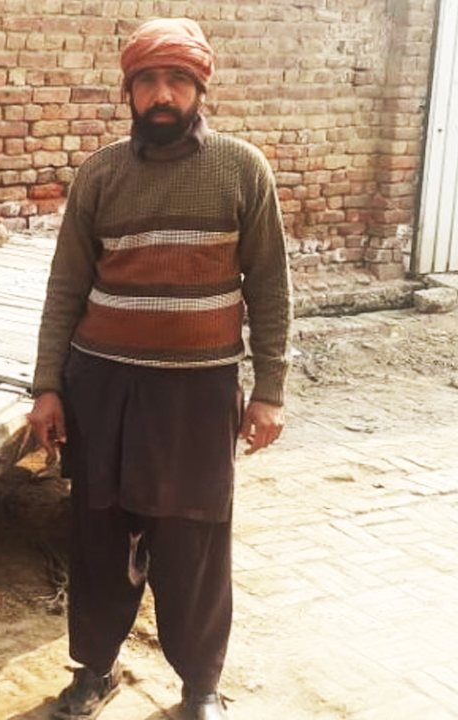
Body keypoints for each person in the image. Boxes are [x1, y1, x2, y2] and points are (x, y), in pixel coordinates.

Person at [27, 17, 291, 720]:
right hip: (102, 386)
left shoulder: (242, 170)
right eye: (149, 81)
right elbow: (64, 289)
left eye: (178, 80)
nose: (163, 94)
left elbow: (269, 288)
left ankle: (199, 685)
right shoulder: (101, 173)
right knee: (99, 532)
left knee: (194, 540)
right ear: (130, 93)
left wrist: (268, 392)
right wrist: (47, 386)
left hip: (199, 392)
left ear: (199, 88)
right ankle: (95, 671)